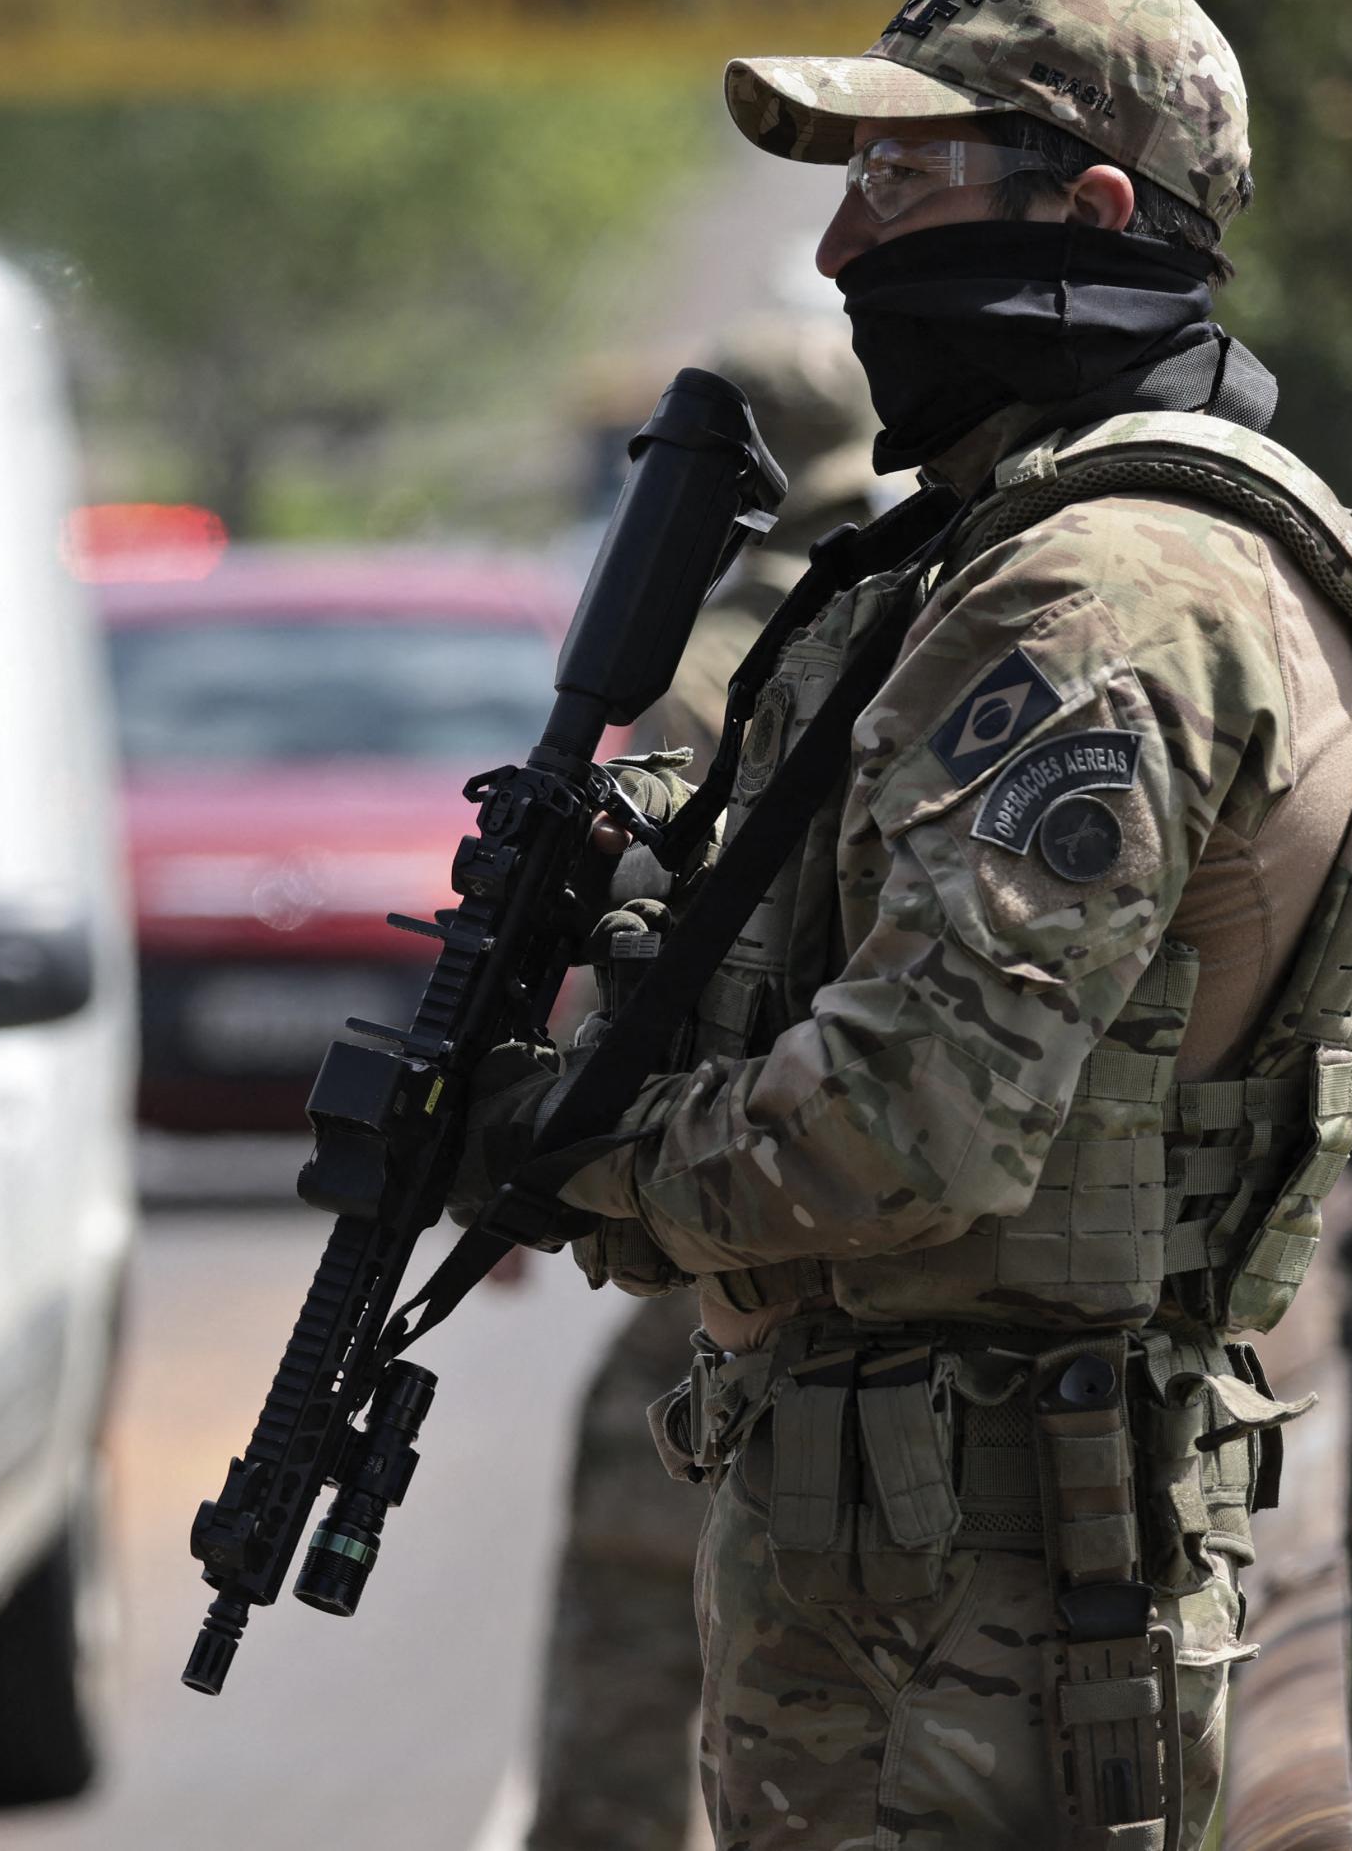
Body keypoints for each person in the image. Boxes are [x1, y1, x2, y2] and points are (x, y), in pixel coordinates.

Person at [467, 0, 1352, 1847]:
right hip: (925, 1566)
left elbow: (909, 1124)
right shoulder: (1023, 550)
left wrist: (563, 1149)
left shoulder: (1106, 598)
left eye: (899, 187)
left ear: (1091, 214)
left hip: (978, 1610)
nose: (839, 255)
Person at [526, 316, 879, 1851]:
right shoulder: (941, 595)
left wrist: (550, 1140)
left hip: (727, 1179)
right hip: (883, 1182)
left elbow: (631, 936)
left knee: (633, 1580)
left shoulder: (720, 655)